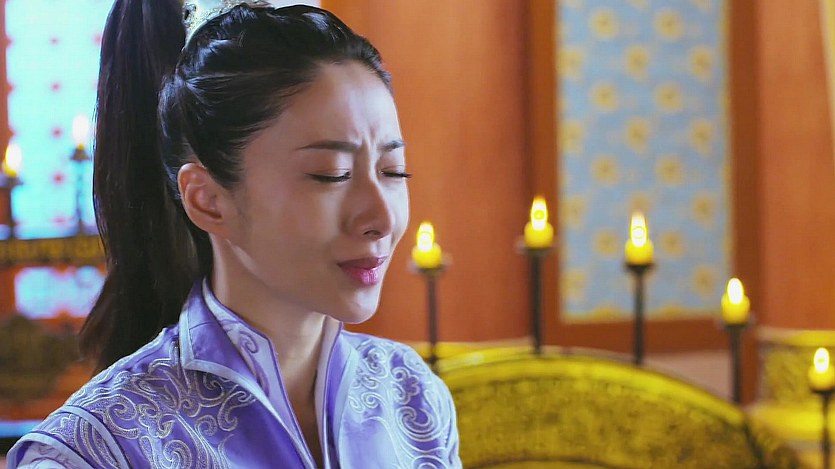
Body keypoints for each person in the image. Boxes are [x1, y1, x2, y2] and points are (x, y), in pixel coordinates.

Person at [7, 1, 460, 467]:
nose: (381, 217)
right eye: (331, 174)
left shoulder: (412, 397)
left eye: (392, 170)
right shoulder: (95, 450)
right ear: (208, 199)